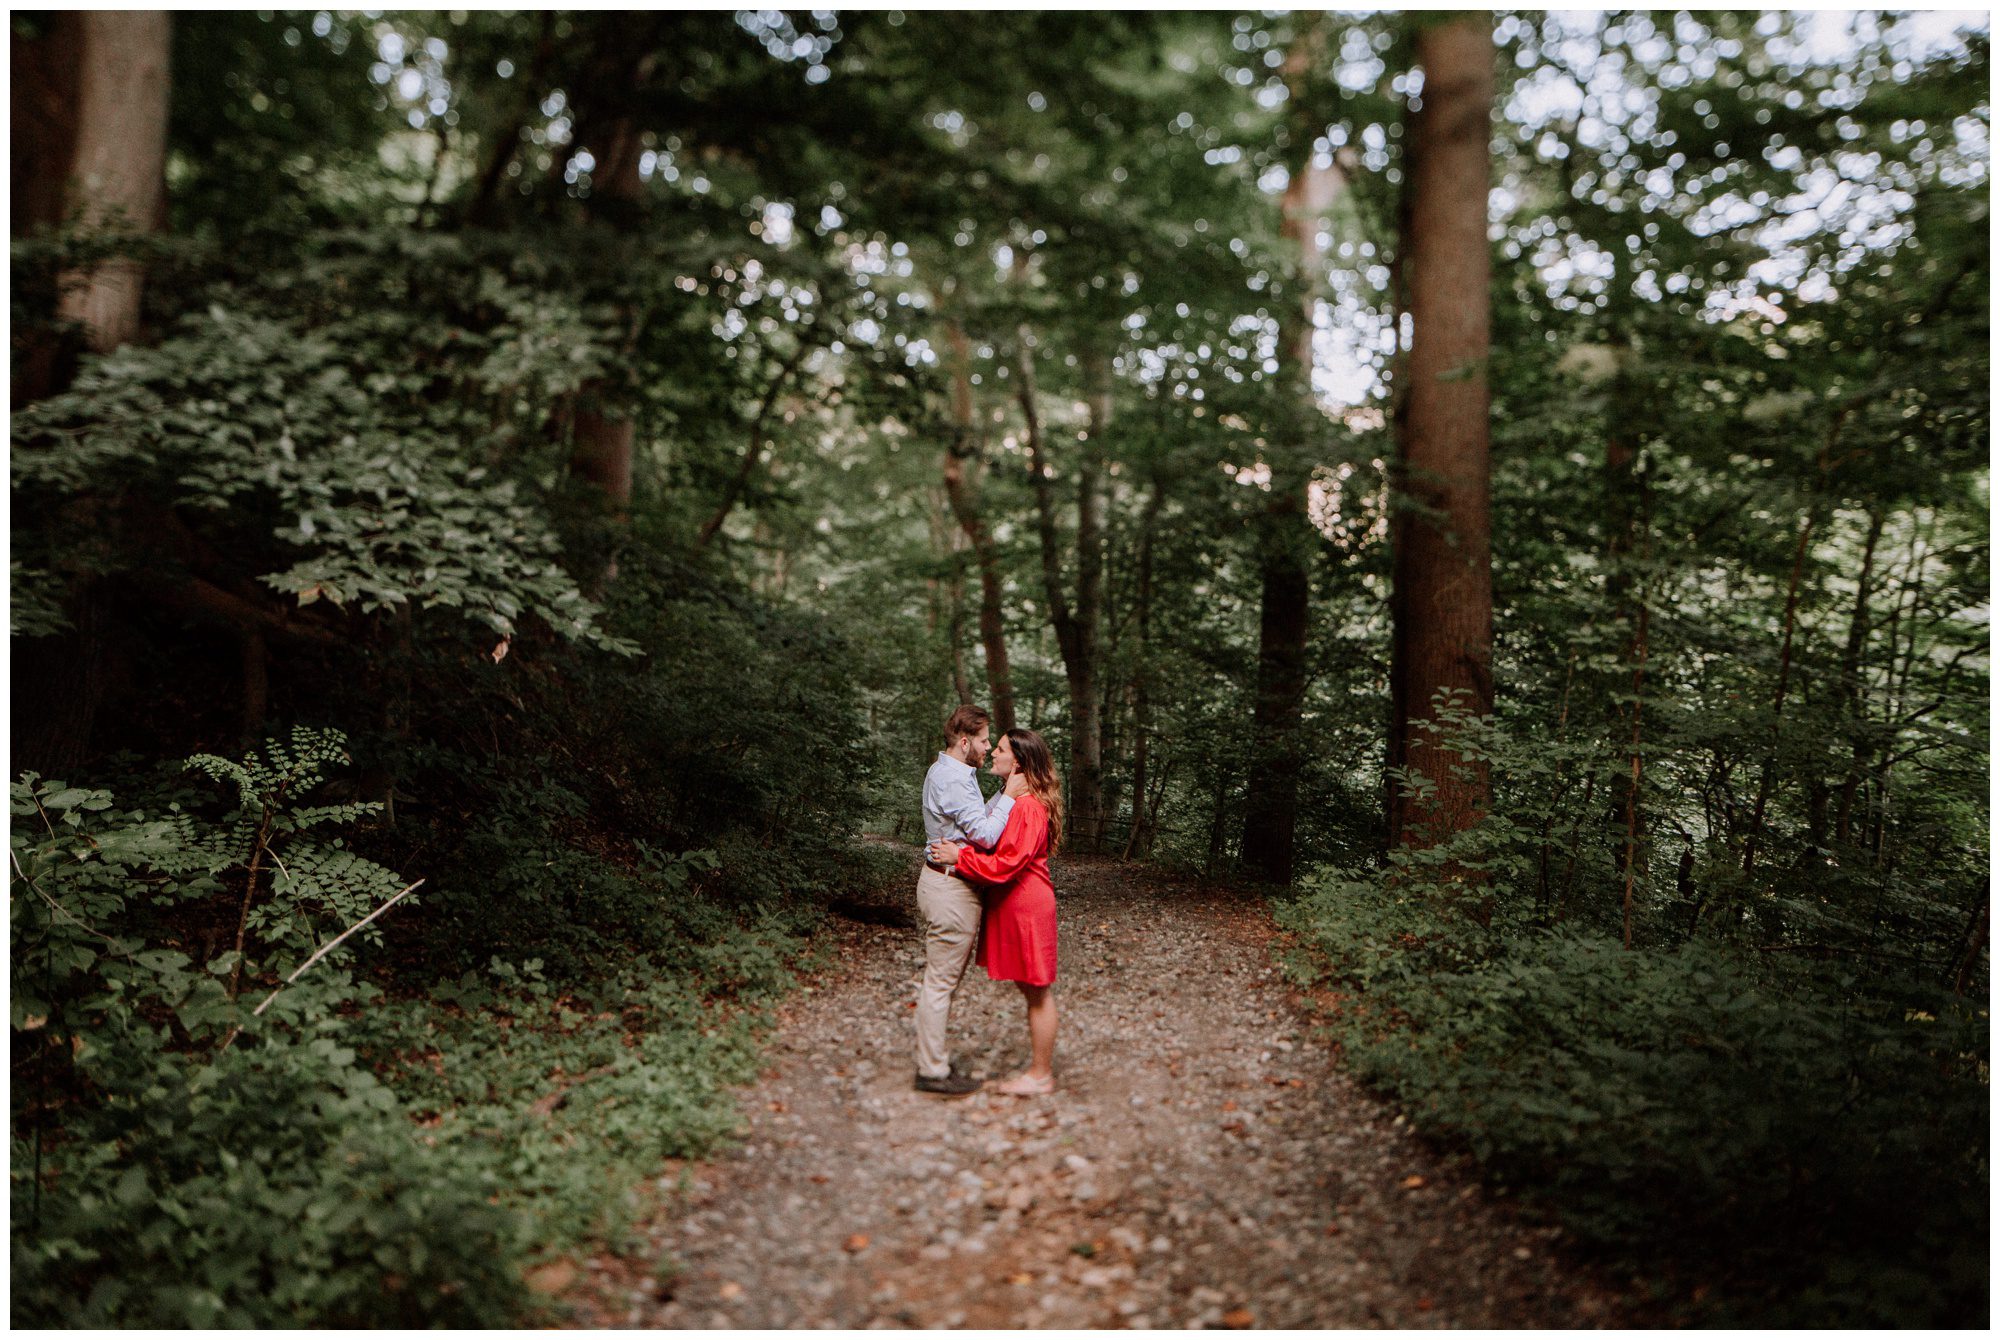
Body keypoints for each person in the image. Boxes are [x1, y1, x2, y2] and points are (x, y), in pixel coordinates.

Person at [929, 728, 1062, 1097]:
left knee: (1038, 991)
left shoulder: (1028, 807)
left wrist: (960, 857)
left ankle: (1040, 1075)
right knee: (1032, 990)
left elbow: (1006, 864)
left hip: (1028, 906)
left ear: (1018, 761)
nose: (993, 753)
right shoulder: (1016, 801)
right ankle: (1039, 1072)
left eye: (1000, 749)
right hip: (1017, 903)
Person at [912, 704, 1014, 1096]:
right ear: (965, 741)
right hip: (950, 888)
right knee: (940, 982)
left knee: (942, 980)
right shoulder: (954, 779)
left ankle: (933, 1059)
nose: (988, 747)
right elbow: (984, 835)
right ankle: (932, 1071)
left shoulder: (951, 772)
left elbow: (972, 823)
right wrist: (1011, 798)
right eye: (984, 740)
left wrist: (1002, 793)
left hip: (945, 883)